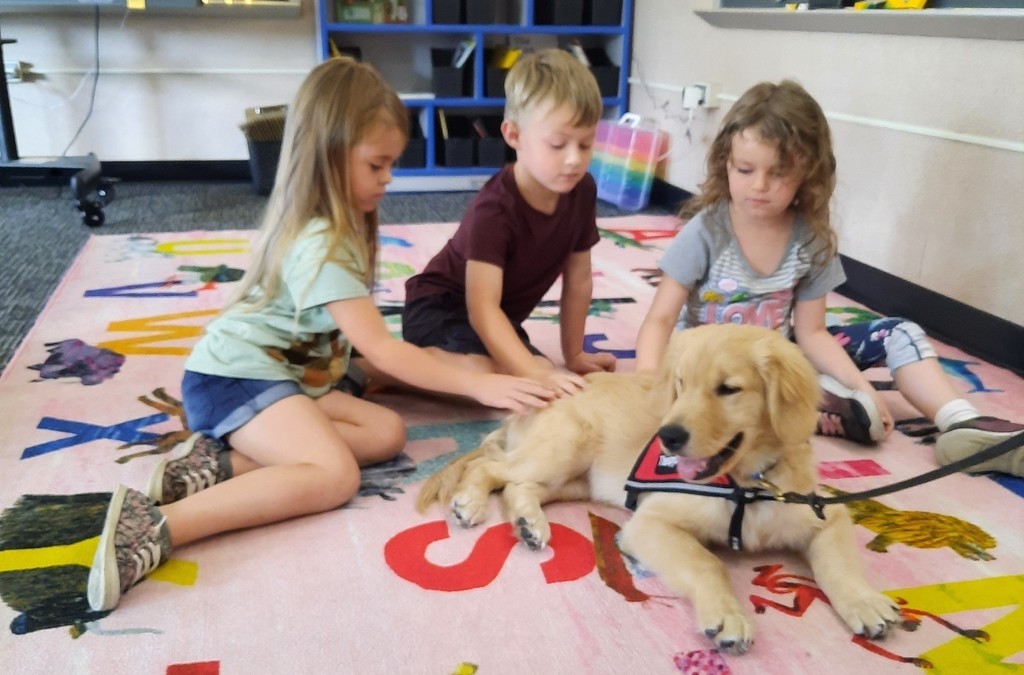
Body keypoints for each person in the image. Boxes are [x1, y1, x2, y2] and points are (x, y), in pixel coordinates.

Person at [87, 57, 554, 612]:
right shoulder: (324, 244)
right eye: (378, 165)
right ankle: (156, 525)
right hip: (234, 379)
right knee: (333, 475)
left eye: (391, 165)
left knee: (384, 433)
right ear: (330, 156)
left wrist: (464, 373)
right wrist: (480, 386)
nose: (389, 179)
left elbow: (365, 352)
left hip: (281, 377)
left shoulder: (337, 226)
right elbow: (382, 348)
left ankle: (216, 465)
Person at [634, 79, 1023, 476]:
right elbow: (661, 321)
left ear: (807, 174)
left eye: (778, 174)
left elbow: (813, 333)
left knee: (900, 332)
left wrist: (862, 387)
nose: (760, 185)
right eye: (746, 170)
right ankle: (813, 408)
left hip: (779, 359)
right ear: (725, 164)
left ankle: (963, 423)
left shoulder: (810, 239)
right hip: (710, 372)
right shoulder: (706, 232)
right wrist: (649, 390)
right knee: (757, 393)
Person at [398, 48, 616, 398]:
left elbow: (579, 281)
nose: (575, 160)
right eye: (558, 145)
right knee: (502, 374)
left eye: (586, 144)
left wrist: (573, 354)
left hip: (497, 320)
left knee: (542, 378)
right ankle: (383, 365)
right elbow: (480, 307)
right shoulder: (495, 209)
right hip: (439, 309)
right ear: (513, 136)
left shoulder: (582, 190)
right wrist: (529, 368)